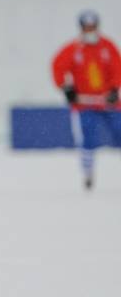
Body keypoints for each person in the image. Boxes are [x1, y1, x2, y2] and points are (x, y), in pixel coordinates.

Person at [51, 10, 121, 190]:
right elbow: (58, 66)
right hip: (84, 103)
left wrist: (114, 88)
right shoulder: (74, 49)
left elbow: (117, 68)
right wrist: (66, 88)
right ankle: (88, 173)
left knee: (119, 130)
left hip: (108, 101)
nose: (90, 30)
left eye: (93, 27)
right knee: (88, 137)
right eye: (86, 27)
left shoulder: (107, 46)